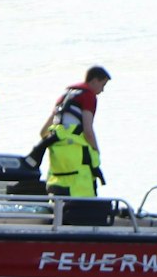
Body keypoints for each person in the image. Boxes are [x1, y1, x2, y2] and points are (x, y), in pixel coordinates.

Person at [37, 66, 111, 199]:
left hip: (58, 157)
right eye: (103, 84)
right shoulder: (88, 96)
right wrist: (96, 150)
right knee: (83, 195)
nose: (102, 90)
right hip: (77, 156)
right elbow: (88, 129)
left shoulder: (64, 96)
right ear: (94, 81)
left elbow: (43, 132)